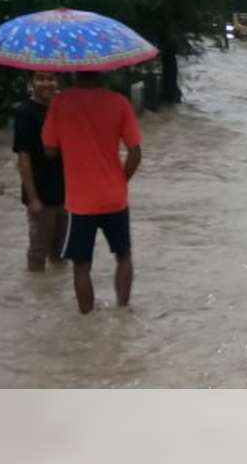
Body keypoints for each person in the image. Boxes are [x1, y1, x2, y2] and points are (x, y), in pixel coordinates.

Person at [42, 71, 142, 314]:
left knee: (81, 266)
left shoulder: (61, 102)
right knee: (124, 256)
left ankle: (86, 320)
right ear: (103, 71)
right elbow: (135, 154)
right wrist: (121, 180)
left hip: (80, 202)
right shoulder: (119, 102)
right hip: (115, 198)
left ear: (74, 72)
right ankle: (123, 311)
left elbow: (49, 150)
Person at [12, 71, 66, 272]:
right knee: (38, 252)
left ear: (57, 81)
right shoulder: (25, 113)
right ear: (31, 82)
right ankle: (36, 287)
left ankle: (54, 289)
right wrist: (33, 198)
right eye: (40, 78)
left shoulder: (62, 109)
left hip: (65, 191)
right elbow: (23, 158)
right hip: (40, 193)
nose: (46, 83)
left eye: (51, 78)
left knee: (62, 253)